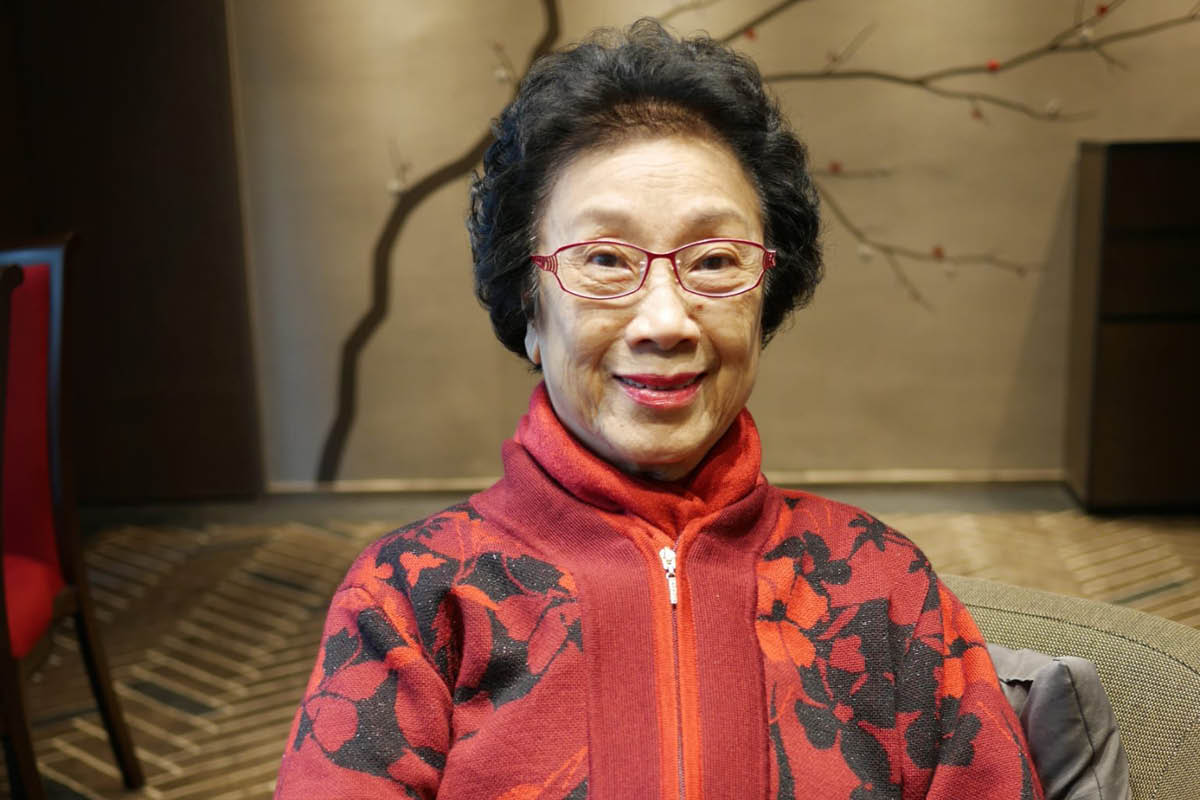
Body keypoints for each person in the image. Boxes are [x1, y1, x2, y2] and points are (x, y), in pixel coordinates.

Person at [276, 20, 1042, 799]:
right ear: (530, 310)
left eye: (714, 261)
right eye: (606, 260)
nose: (666, 321)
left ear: (765, 302)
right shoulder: (412, 596)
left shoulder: (881, 583)